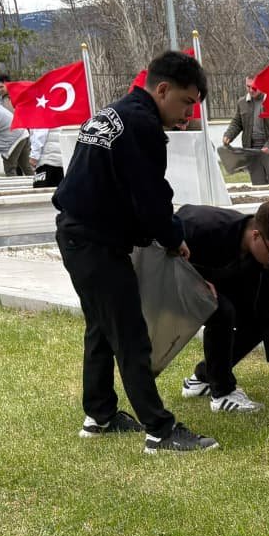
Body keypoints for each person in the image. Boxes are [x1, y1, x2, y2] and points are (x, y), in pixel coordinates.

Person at [53, 50, 217, 454]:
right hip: (95, 242)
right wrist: (172, 236)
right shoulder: (142, 125)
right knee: (129, 335)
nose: (188, 115)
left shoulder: (113, 114)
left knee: (101, 327)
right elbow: (151, 198)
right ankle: (159, 430)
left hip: (77, 235)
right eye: (186, 103)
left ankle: (101, 415)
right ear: (162, 89)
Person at [176, 199, 269, 412]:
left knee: (255, 321)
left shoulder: (264, 262)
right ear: (256, 235)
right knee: (222, 311)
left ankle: (202, 379)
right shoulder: (203, 224)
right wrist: (192, 279)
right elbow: (161, 243)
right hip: (172, 281)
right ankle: (222, 394)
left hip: (211, 284)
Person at [220, 76, 269, 185]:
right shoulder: (242, 102)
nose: (251, 90)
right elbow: (237, 122)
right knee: (258, 185)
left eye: (254, 87)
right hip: (251, 152)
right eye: (248, 86)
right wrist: (228, 135)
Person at [0, 100, 36, 177]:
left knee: (10, 169)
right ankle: (38, 185)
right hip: (23, 132)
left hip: (12, 140)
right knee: (26, 166)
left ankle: (16, 188)